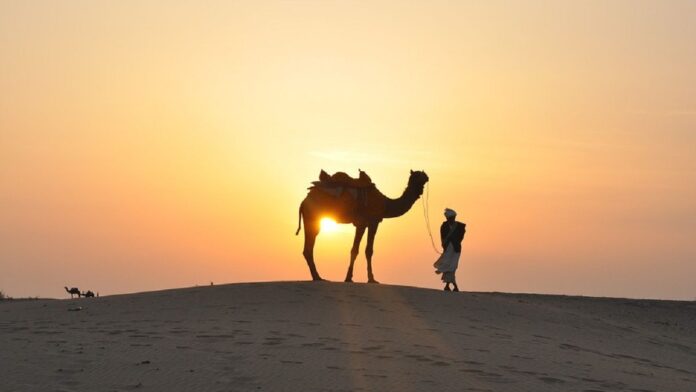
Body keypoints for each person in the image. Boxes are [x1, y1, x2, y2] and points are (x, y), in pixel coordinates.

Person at [433, 208, 466, 291]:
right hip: (448, 249)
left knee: (452, 267)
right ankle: (452, 286)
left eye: (453, 217)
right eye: (450, 218)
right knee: (448, 266)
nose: (452, 219)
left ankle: (450, 286)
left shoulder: (459, 226)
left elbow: (461, 237)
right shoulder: (444, 226)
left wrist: (454, 240)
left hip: (455, 249)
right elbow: (443, 237)